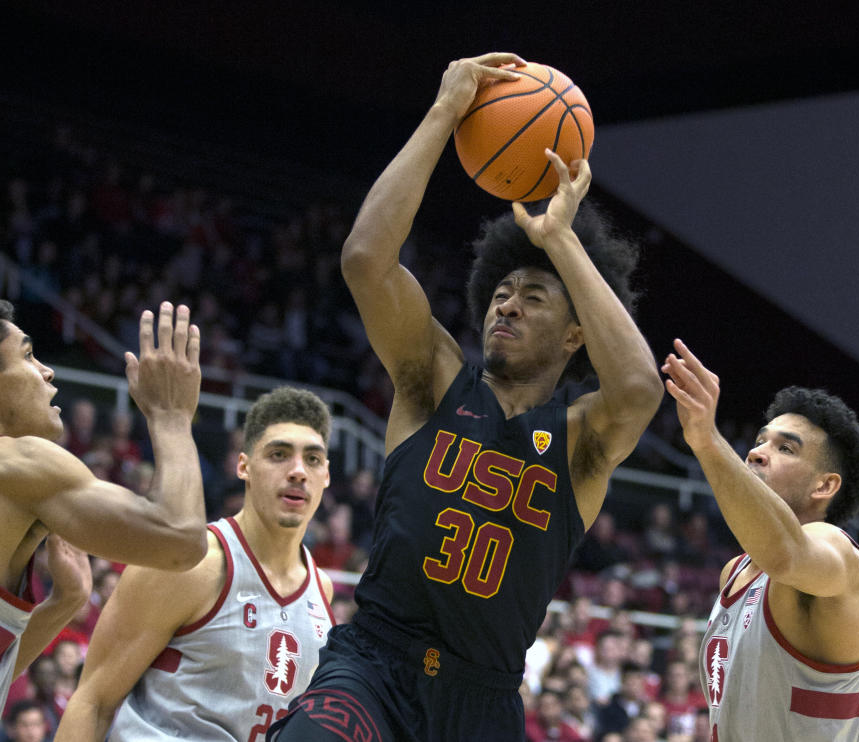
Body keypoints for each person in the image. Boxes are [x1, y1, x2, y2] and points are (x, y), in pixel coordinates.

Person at [269, 52, 662, 742]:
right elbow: (365, 260)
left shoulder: (579, 440)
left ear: (576, 333)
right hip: (374, 665)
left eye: (531, 297)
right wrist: (445, 113)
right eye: (500, 294)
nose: (505, 307)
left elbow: (637, 388)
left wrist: (560, 241)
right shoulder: (435, 379)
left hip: (482, 699)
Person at [56, 387, 337, 740]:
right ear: (244, 467)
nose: (298, 471)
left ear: (326, 475)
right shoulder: (192, 563)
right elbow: (93, 702)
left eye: (312, 459)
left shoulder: (321, 591)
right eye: (279, 454)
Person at [661, 339, 859, 741]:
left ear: (825, 485)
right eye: (761, 440)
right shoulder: (735, 571)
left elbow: (787, 555)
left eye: (785, 449)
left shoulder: (837, 552)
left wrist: (707, 440)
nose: (758, 453)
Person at [0, 300, 208, 709]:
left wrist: (65, 603)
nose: (46, 370)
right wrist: (171, 416)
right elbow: (180, 538)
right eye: (26, 355)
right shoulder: (19, 462)